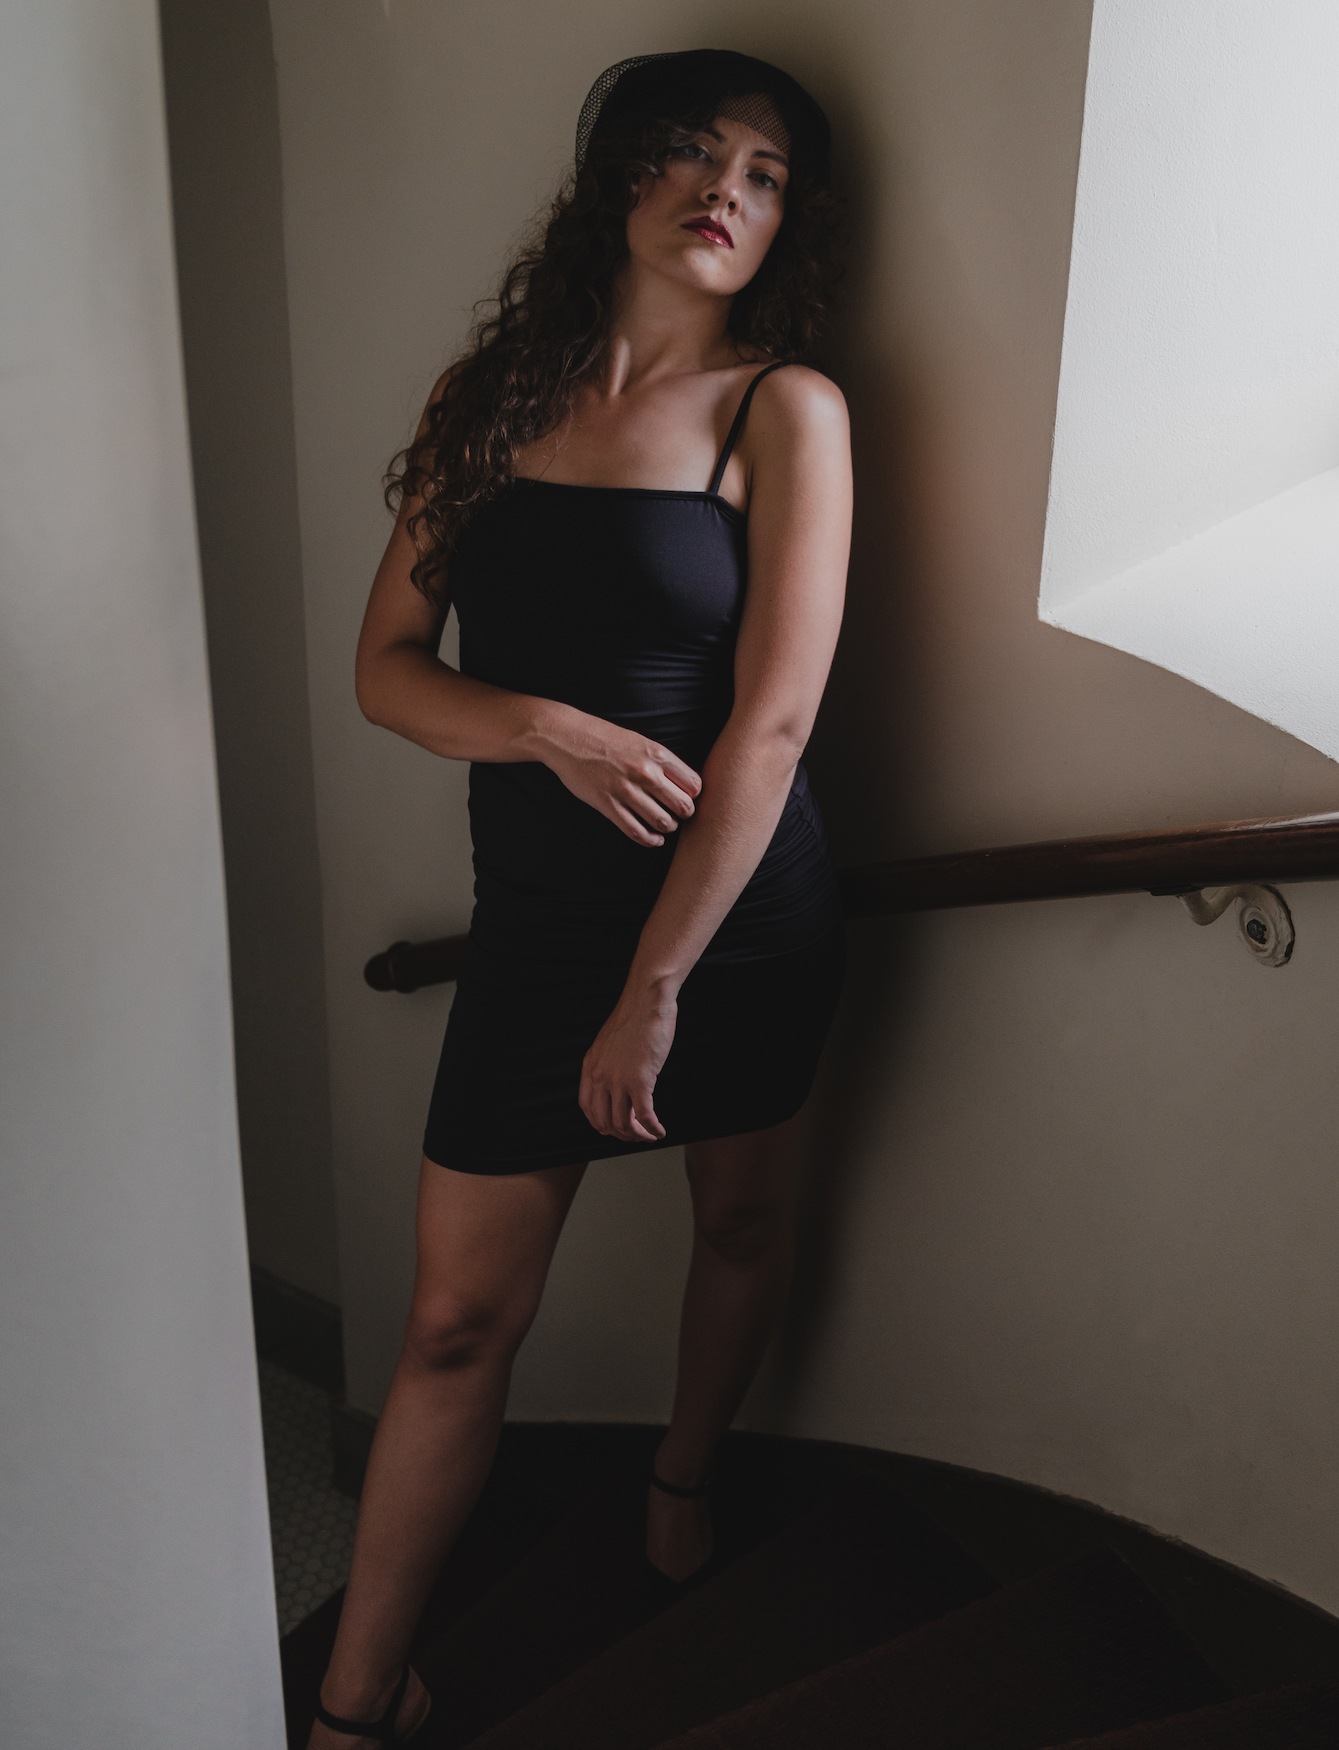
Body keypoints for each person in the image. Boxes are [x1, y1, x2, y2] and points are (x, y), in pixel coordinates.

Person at [310, 49, 853, 1747]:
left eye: (765, 175)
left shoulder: (787, 411)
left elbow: (772, 728)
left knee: (739, 1219)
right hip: (539, 929)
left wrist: (660, 983)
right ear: (617, 175)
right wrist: (545, 725)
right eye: (695, 152)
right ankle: (357, 1696)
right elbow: (388, 669)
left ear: (785, 222)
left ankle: (683, 1473)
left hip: (732, 925)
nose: (726, 192)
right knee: (455, 1320)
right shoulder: (487, 397)